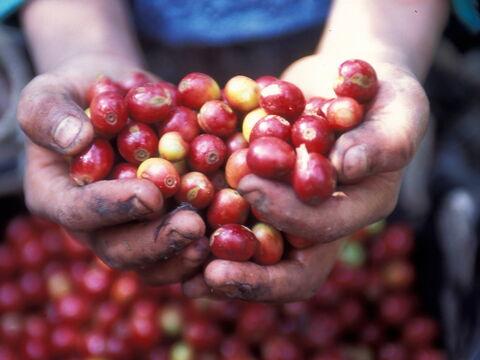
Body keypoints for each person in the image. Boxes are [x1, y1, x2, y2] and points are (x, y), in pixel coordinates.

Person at [15, 0, 449, 302]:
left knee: (370, 214)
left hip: (348, 29)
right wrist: (82, 48)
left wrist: (383, 43)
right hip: (124, 38)